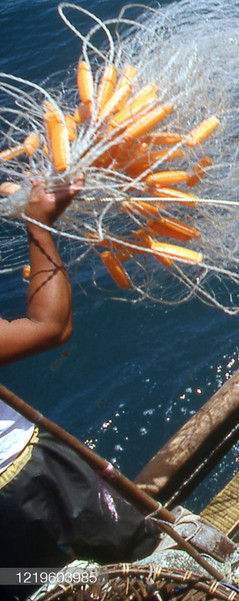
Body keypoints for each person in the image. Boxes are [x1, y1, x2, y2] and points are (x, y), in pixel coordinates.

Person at [1, 176, 159, 588]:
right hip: (28, 481)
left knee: (41, 586)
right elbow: (50, 325)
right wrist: (39, 226)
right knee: (142, 557)